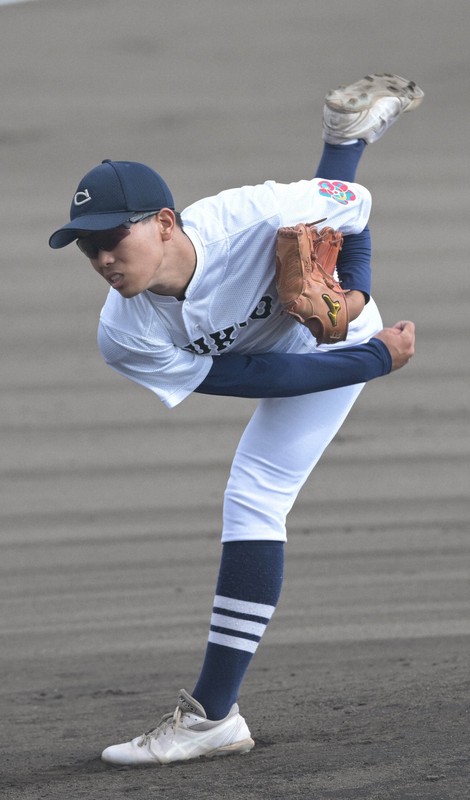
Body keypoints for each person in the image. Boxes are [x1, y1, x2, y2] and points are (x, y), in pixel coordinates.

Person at [49, 73, 422, 767]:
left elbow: (354, 211)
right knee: (254, 489)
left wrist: (357, 302)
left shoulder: (251, 215)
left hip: (336, 342)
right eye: (85, 246)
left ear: (165, 222)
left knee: (256, 495)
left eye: (111, 238)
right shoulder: (123, 333)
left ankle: (210, 720)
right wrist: (374, 363)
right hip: (320, 358)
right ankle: (214, 717)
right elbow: (256, 377)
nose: (101, 258)